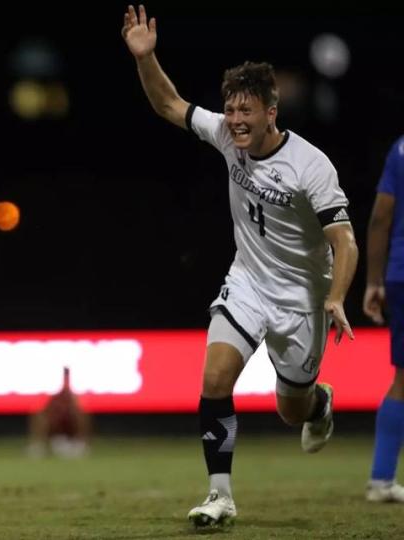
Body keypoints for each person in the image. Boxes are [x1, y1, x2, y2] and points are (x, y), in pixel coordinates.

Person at [122, 5, 358, 527]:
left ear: (272, 112)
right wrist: (146, 56)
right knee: (214, 379)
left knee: (289, 409)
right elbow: (167, 103)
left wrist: (336, 296)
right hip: (248, 282)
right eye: (230, 110)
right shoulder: (227, 136)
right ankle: (219, 495)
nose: (236, 121)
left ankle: (317, 403)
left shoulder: (310, 166)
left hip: (301, 297)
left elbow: (345, 241)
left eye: (246, 111)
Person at [362, 134, 404, 503]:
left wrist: (374, 280)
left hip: (400, 274)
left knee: (403, 378)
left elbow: (380, 218)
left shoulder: (401, 148)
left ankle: (381, 478)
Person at [27, 367, 92, 459]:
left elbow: (78, 411)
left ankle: (81, 444)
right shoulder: (53, 395)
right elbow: (44, 411)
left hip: (70, 434)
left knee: (81, 414)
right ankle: (39, 446)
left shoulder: (74, 395)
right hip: (56, 434)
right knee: (39, 415)